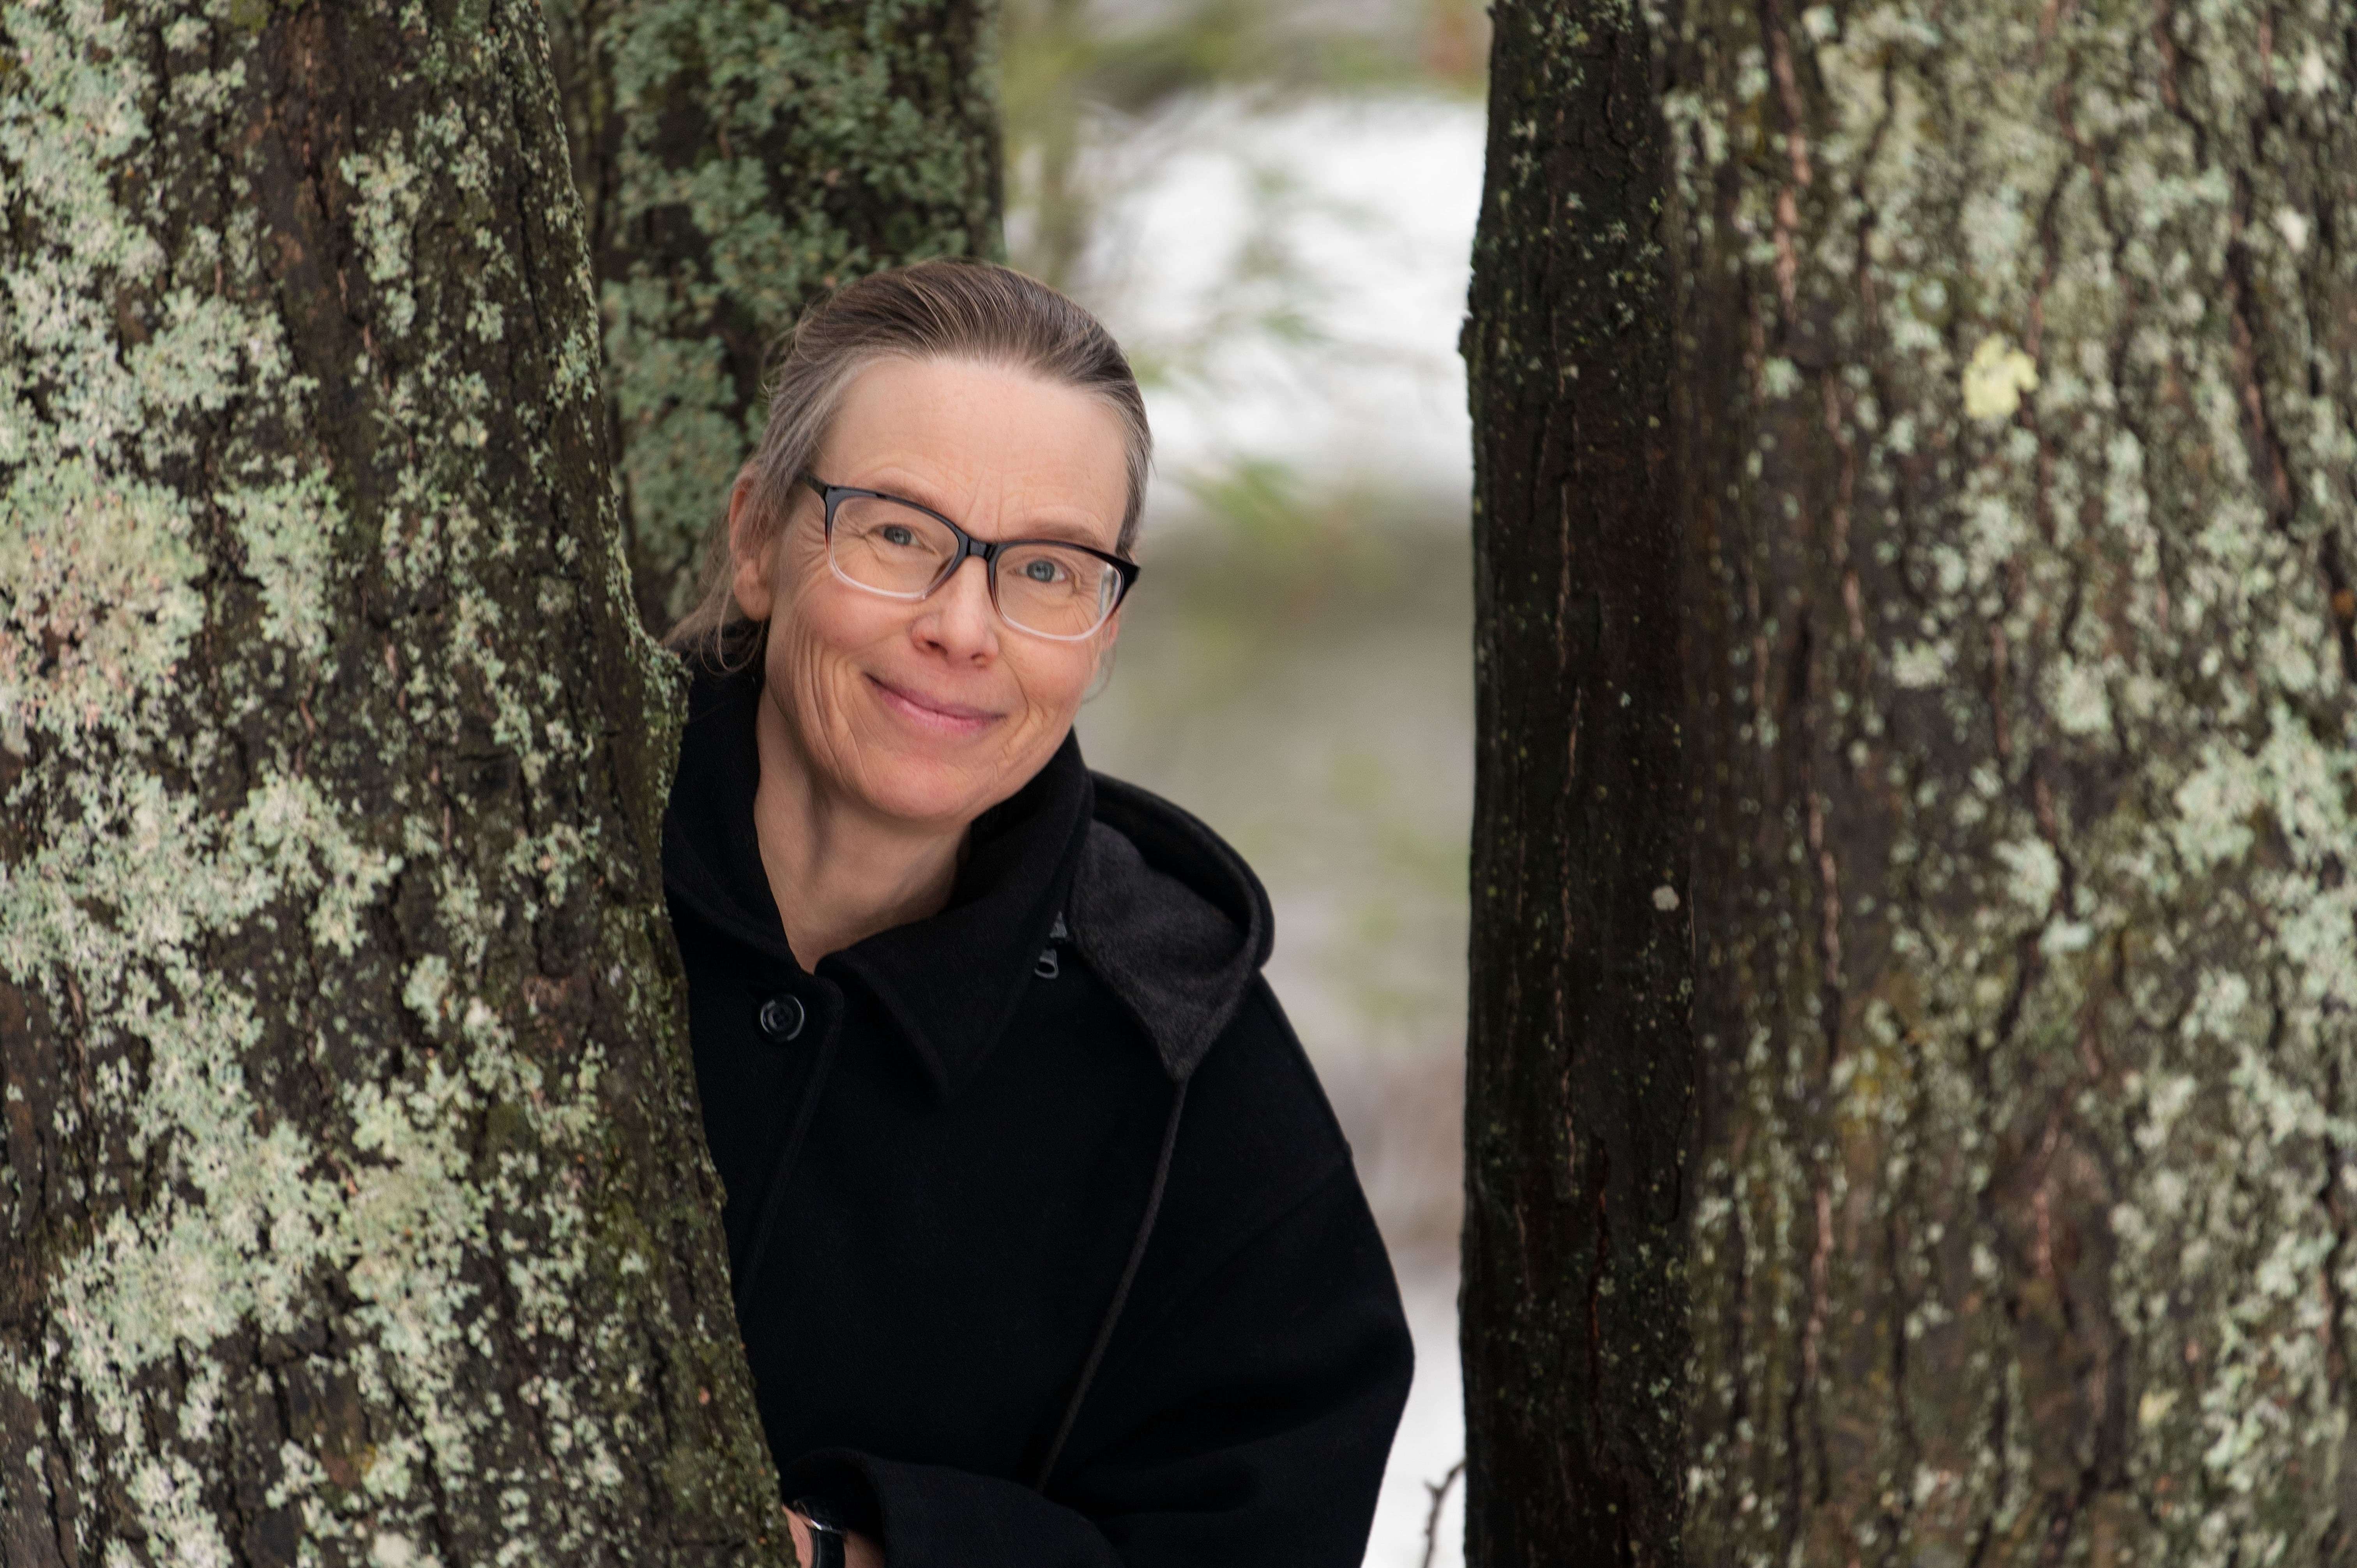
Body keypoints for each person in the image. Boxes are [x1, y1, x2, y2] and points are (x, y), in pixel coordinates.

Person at [659, 258, 1413, 1568]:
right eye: (897, 531)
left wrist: (862, 1559)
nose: (965, 627)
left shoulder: (1180, 1053)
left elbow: (1267, 1535)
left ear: (1104, 632)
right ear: (758, 542)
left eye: (1048, 572)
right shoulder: (525, 838)